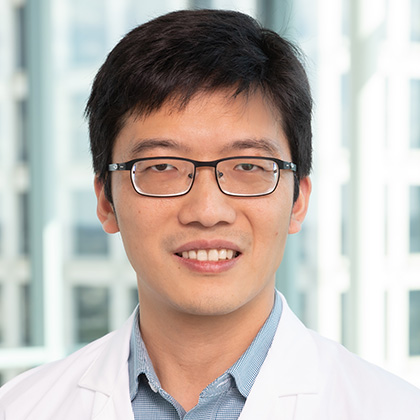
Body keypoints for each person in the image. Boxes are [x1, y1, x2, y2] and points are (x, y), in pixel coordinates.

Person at [0, 9, 419, 420]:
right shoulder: (20, 408)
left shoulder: (394, 409)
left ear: (297, 201)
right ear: (106, 201)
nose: (207, 211)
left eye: (249, 167)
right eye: (162, 167)